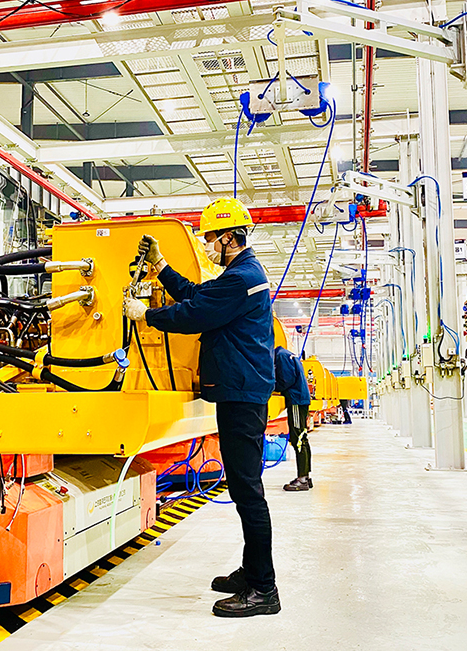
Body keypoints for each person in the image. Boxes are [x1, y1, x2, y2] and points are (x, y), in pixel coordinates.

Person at [123, 197, 279, 618]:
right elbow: (197, 294)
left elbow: (195, 313)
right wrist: (160, 266)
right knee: (244, 488)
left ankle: (264, 589)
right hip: (239, 391)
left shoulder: (242, 277)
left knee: (247, 491)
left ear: (228, 237)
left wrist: (147, 314)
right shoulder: (241, 274)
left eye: (210, 237)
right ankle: (252, 572)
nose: (207, 244)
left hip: (242, 395)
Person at [274, 346, 313, 491]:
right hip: (301, 398)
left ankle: (302, 479)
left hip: (296, 399)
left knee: (298, 439)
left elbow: (286, 380)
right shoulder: (287, 354)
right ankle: (306, 477)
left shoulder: (280, 356)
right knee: (302, 438)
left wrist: (271, 386)